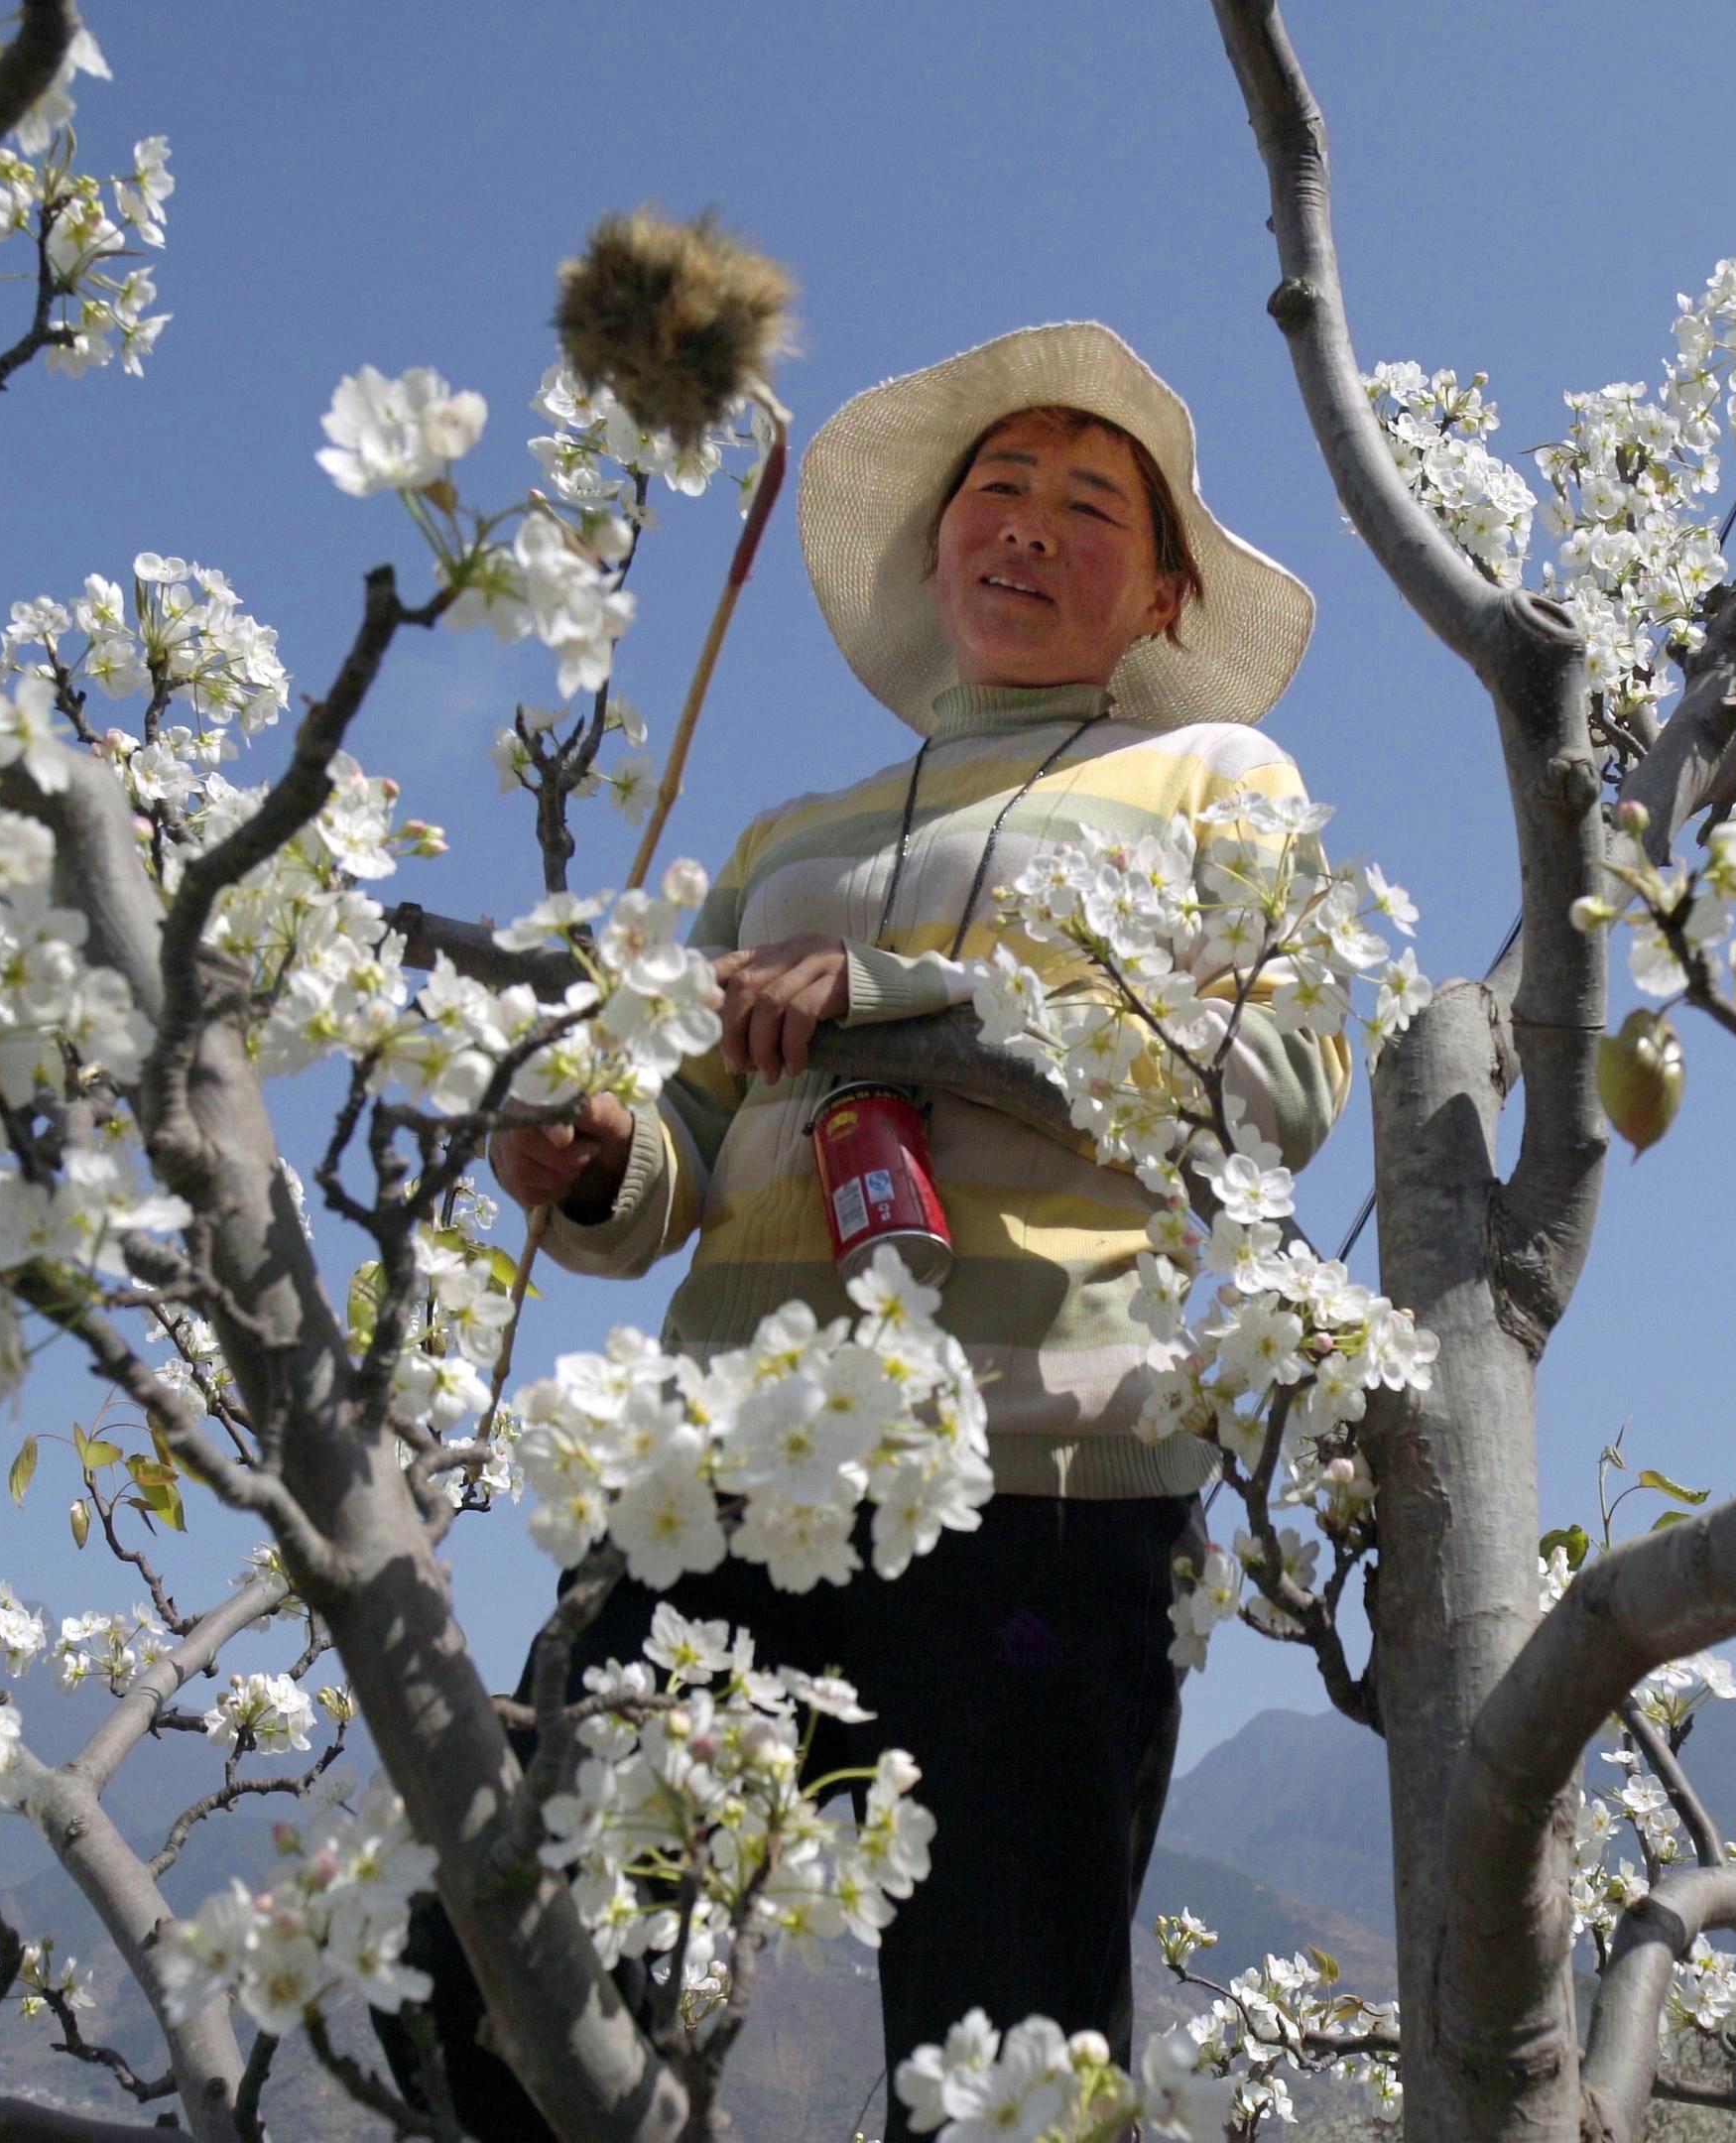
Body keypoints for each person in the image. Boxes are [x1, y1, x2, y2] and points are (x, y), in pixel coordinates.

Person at [447, 321, 1345, 2135]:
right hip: (718, 1476)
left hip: (1047, 1482)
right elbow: (686, 1146)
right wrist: (591, 1152)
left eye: (1091, 504)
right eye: (994, 491)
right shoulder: (793, 830)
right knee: (508, 1993)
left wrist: (896, 1001)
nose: (1027, 525)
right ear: (936, 553)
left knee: (1001, 2050)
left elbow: (1277, 1085)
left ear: (1165, 592)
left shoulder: (1216, 782)